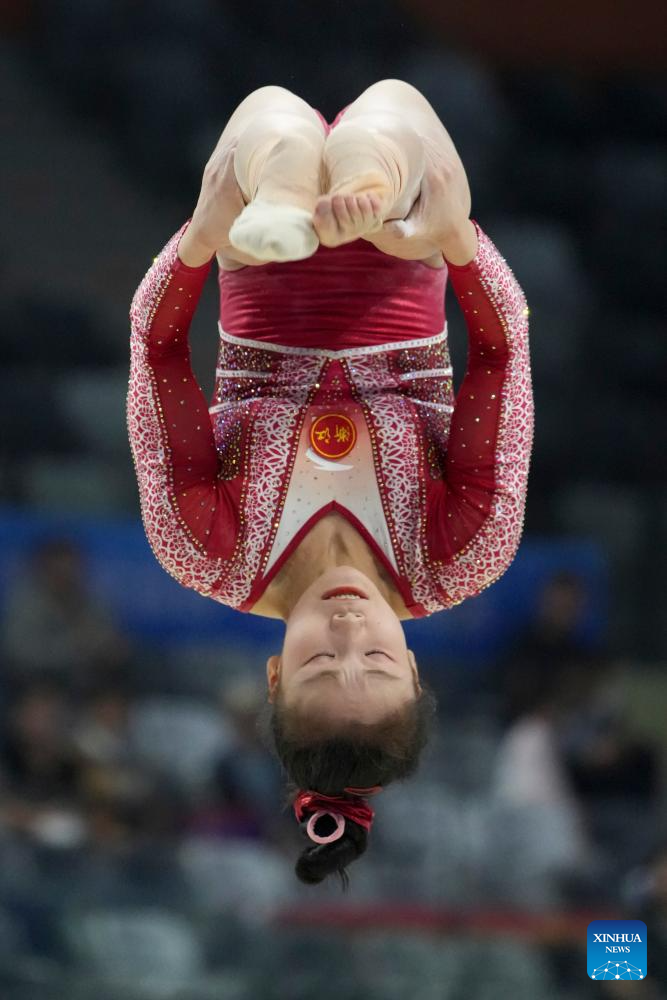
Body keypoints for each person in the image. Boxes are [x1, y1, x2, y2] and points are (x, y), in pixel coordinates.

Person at [127, 80, 533, 887]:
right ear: (413, 668)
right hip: (405, 253)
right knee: (377, 131)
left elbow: (156, 350)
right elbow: (501, 354)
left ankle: (286, 194)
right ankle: (360, 181)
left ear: (274, 675)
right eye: (374, 659)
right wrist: (458, 241)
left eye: (321, 662)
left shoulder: (205, 554)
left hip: (259, 266)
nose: (348, 631)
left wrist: (201, 237)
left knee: (277, 126)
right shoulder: (461, 556)